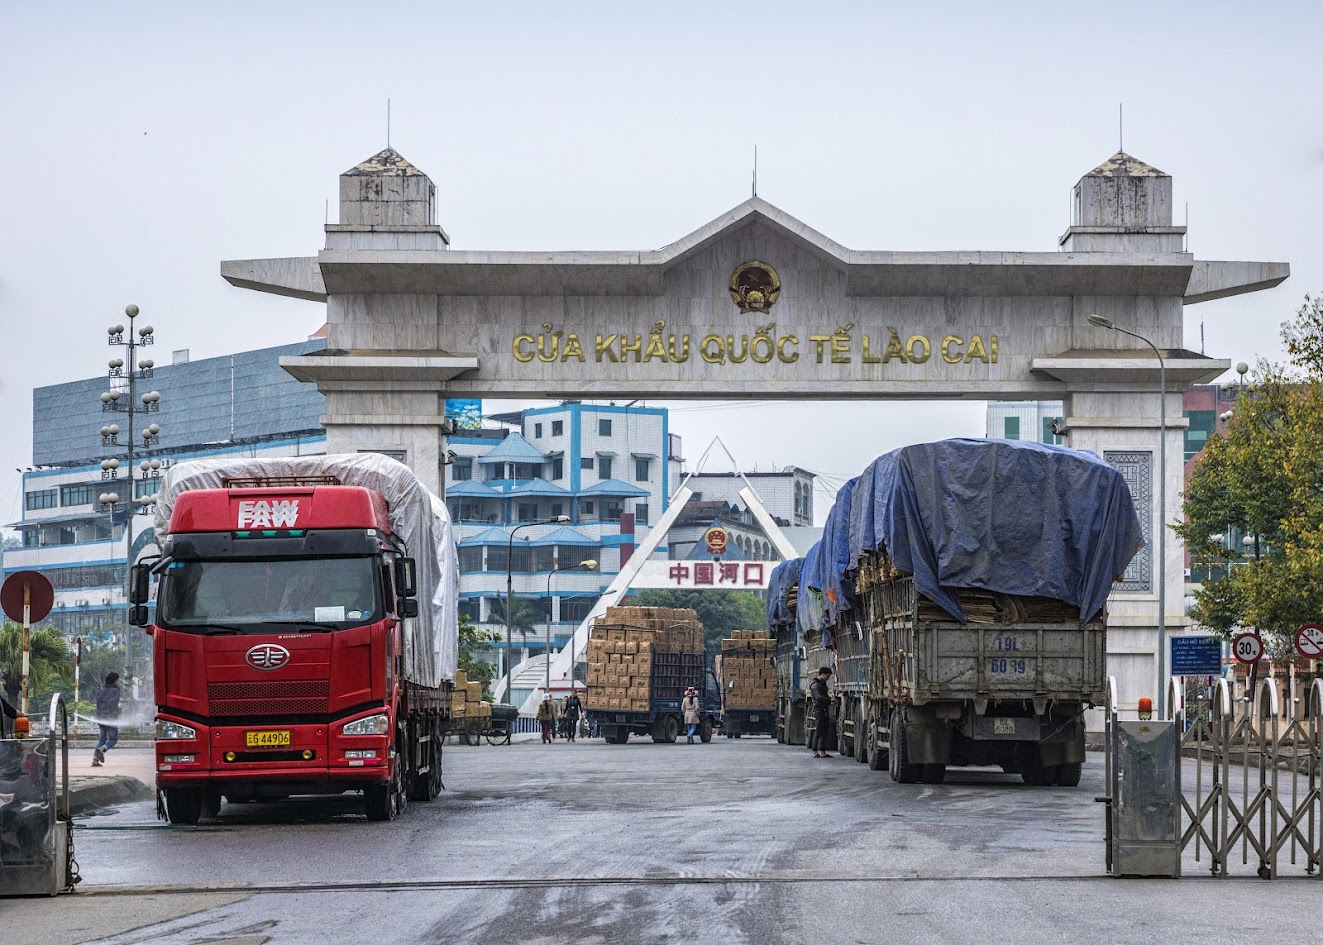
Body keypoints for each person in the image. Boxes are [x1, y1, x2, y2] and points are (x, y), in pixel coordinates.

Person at [92, 672, 122, 766]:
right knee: (113, 739)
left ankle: (95, 760)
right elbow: (112, 704)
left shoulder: (102, 690)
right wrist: (118, 712)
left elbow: (98, 703)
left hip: (100, 718)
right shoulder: (115, 691)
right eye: (118, 679)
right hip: (110, 718)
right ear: (115, 680)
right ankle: (103, 749)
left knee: (101, 740)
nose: (119, 681)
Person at [809, 666, 833, 758]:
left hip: (824, 709)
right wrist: (829, 699)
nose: (827, 678)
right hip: (819, 709)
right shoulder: (815, 685)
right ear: (822, 674)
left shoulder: (822, 684)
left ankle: (822, 750)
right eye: (827, 676)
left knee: (825, 730)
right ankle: (815, 750)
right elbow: (818, 697)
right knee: (819, 730)